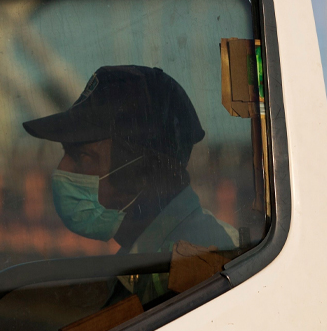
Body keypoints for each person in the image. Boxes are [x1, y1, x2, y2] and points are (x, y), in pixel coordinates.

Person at [23, 65, 237, 303]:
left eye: (82, 157)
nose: (61, 170)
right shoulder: (147, 258)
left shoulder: (201, 266)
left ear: (141, 172)